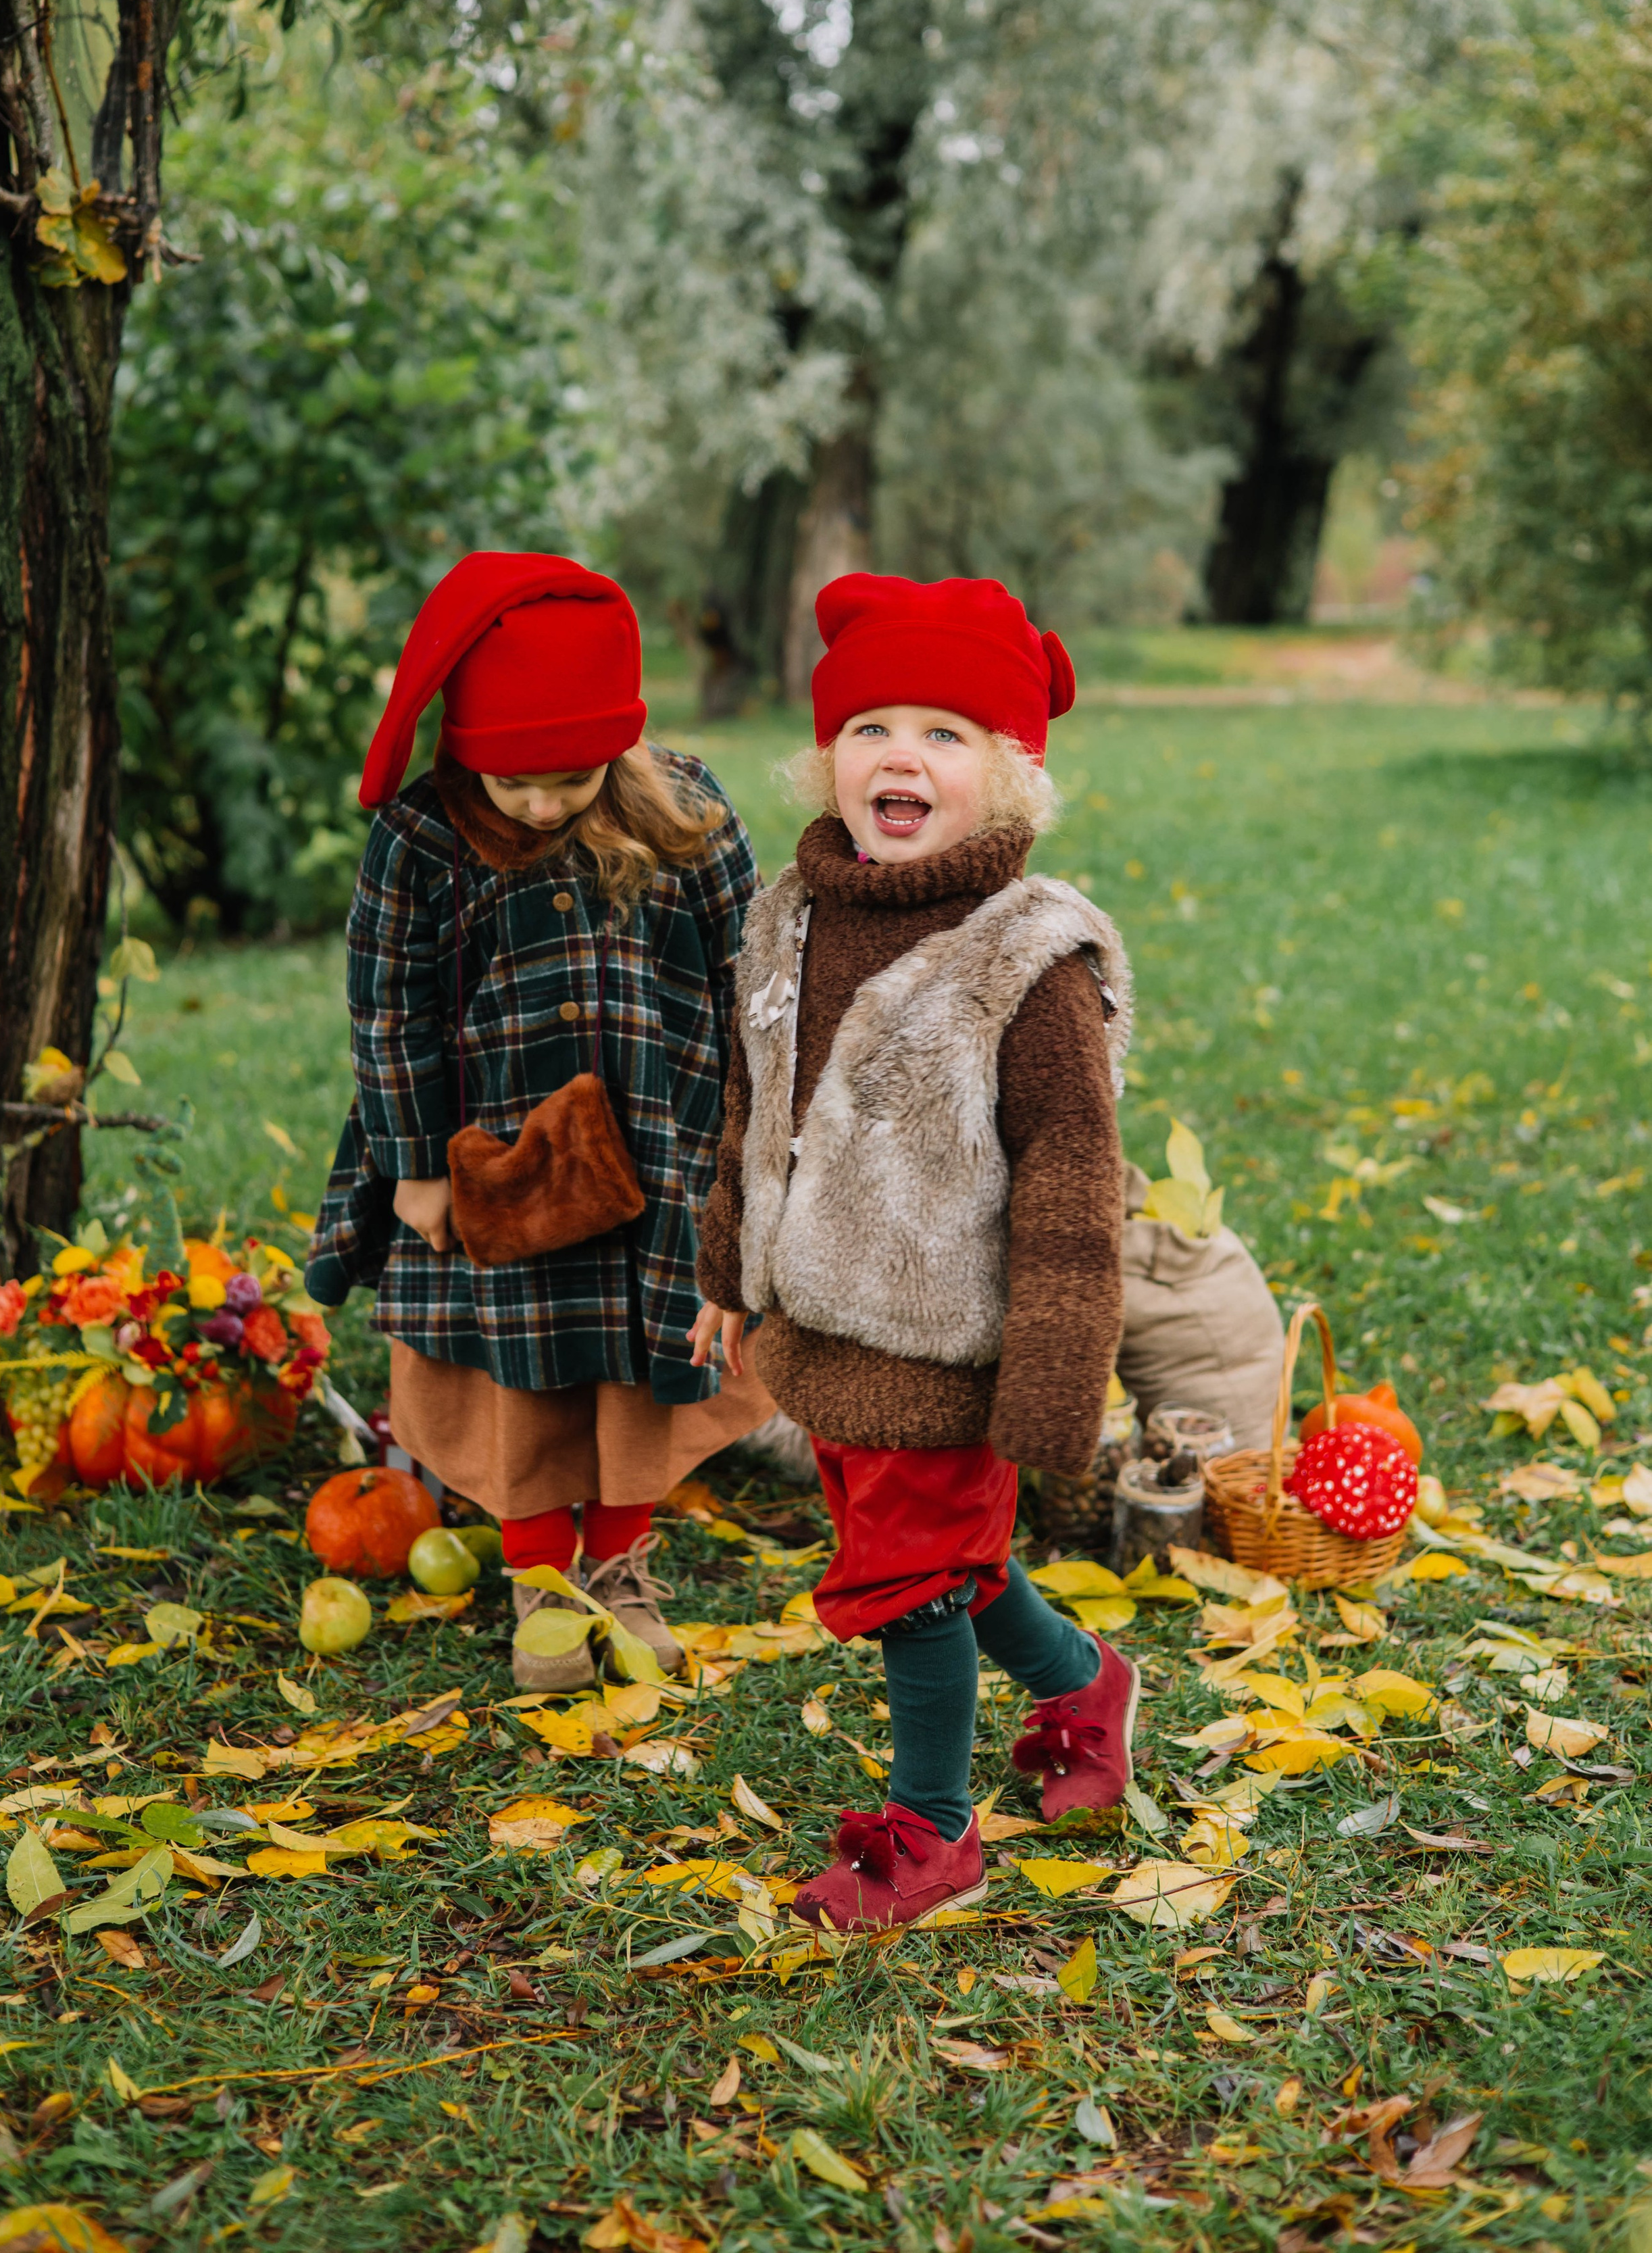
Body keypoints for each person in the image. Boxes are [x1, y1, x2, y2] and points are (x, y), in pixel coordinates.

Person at [691, 573, 1136, 1929]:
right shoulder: (789, 918)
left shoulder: (1022, 961)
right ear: (827, 754)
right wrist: (723, 1275)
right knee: (937, 1559)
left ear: (1007, 780)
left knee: (908, 1585)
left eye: (945, 734)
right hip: (819, 1333)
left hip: (950, 1343)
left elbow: (1072, 1179)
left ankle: (932, 1830)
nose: (900, 754)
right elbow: (749, 1106)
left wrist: (1057, 1377)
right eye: (872, 724)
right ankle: (1080, 1686)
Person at [307, 552, 772, 1687]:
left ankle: (621, 1569)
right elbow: (386, 1010)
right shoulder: (423, 839)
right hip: (495, 1161)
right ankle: (542, 1589)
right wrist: (415, 1167)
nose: (542, 804)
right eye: (515, 783)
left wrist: (747, 1134)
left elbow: (752, 977)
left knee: (630, 1361)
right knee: (522, 1372)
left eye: (568, 780)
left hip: (658, 1145)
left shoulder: (690, 810)